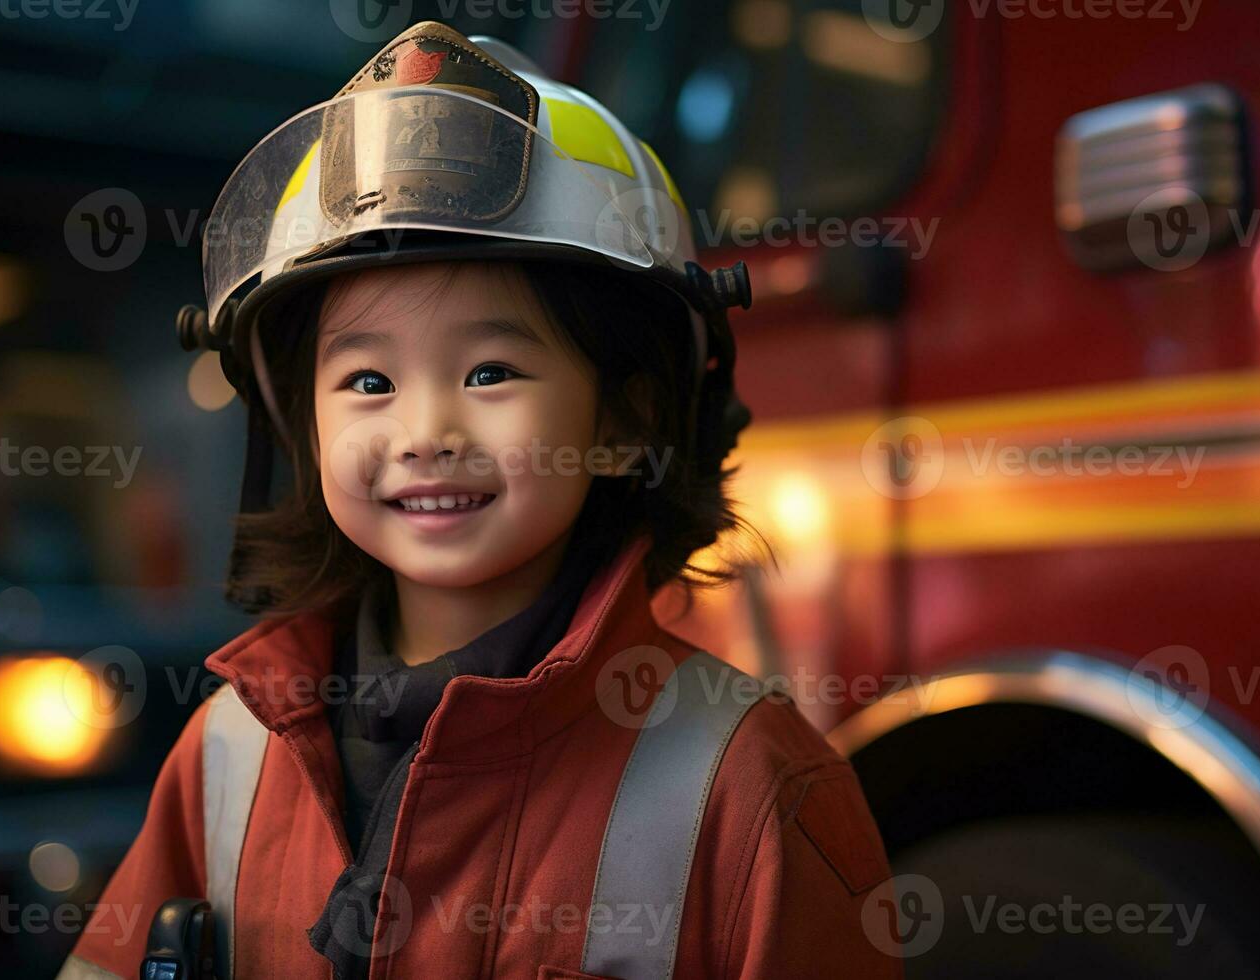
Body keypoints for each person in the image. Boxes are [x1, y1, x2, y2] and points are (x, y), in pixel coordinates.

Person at [59, 22, 901, 980]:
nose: (425, 431)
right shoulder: (229, 755)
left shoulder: (749, 786)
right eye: (367, 383)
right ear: (304, 428)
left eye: (492, 370)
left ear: (627, 420)